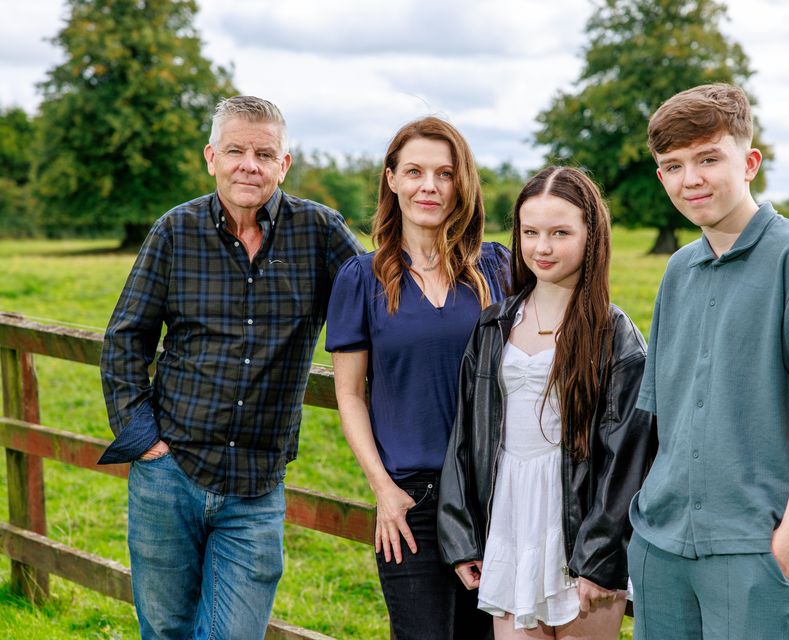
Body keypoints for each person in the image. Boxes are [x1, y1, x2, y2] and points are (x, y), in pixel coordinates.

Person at [97, 95, 364, 639]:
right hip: (168, 475)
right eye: (236, 150)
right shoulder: (175, 231)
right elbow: (127, 338)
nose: (250, 164)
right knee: (165, 632)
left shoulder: (319, 231)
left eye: (265, 154)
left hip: (257, 487)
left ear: (284, 164)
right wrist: (144, 438)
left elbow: (382, 305)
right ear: (211, 156)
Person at [628, 83, 789, 640]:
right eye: (673, 166)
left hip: (755, 548)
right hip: (662, 546)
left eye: (709, 158)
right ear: (661, 178)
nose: (691, 179)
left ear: (749, 162)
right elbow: (661, 412)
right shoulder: (678, 270)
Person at [438, 166, 656, 639]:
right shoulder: (494, 324)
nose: (542, 247)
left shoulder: (615, 337)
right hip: (509, 520)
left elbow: (626, 459)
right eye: (530, 232)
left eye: (560, 232)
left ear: (591, 235)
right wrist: (462, 535)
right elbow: (465, 436)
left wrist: (599, 556)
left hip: (578, 531)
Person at [325, 116, 510, 640]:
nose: (429, 186)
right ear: (391, 179)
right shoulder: (362, 277)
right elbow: (349, 393)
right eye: (414, 171)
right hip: (411, 500)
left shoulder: (495, 269)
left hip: (493, 494)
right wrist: (383, 490)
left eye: (444, 173)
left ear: (462, 183)